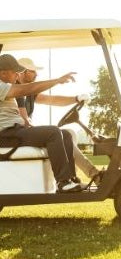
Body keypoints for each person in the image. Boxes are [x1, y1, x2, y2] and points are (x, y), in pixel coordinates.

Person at [0, 54, 85, 193]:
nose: (17, 75)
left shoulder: (7, 87)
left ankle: (70, 179)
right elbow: (27, 89)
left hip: (15, 132)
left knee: (66, 134)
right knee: (53, 132)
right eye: (14, 72)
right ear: (2, 73)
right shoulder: (1, 86)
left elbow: (46, 97)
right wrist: (57, 80)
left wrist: (75, 98)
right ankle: (63, 182)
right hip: (6, 135)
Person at [16, 57, 103, 185]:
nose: (37, 74)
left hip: (26, 132)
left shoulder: (29, 92)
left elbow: (52, 99)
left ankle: (73, 178)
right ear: (23, 71)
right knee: (56, 133)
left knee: (69, 133)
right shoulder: (16, 90)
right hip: (19, 134)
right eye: (33, 71)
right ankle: (94, 175)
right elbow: (23, 120)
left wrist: (76, 99)